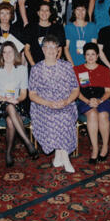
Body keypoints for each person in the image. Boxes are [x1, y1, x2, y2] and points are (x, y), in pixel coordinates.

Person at [29, 35, 80, 173]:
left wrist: (67, 101)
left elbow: (75, 89)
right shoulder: (36, 69)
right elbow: (32, 95)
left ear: (58, 50)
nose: (51, 50)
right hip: (43, 105)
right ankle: (65, 158)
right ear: (43, 50)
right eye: (48, 47)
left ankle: (60, 155)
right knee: (54, 117)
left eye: (54, 47)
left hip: (65, 103)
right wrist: (48, 103)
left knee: (65, 116)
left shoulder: (67, 66)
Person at [0, 42, 39, 167]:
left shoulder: (21, 69)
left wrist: (17, 100)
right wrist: (5, 99)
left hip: (16, 104)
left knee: (11, 120)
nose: (7, 54)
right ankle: (28, 143)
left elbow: (23, 94)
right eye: (4, 52)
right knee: (9, 106)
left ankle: (8, 152)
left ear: (15, 53)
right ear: (1, 54)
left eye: (10, 51)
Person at [73, 43, 110, 163]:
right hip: (84, 100)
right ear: (84, 56)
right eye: (88, 55)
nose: (90, 57)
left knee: (103, 115)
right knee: (92, 114)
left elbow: (108, 91)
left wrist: (99, 100)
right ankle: (95, 148)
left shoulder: (104, 70)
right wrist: (87, 101)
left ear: (97, 56)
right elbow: (76, 91)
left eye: (93, 54)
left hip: (102, 99)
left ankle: (105, 146)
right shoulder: (77, 69)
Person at [24, 2, 65, 66]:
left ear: (50, 13)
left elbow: (59, 49)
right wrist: (34, 66)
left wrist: (53, 65)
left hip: (52, 65)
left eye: (47, 11)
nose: (44, 13)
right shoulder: (30, 27)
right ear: (38, 12)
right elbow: (26, 49)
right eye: (42, 10)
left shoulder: (57, 28)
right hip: (34, 65)